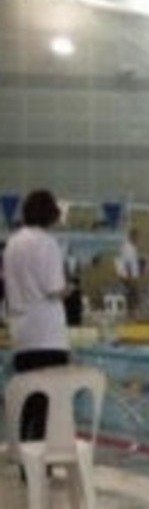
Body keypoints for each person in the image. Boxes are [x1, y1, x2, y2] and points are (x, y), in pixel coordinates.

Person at [2, 189, 71, 441]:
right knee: (47, 408)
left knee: (26, 405)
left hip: (21, 335)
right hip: (47, 336)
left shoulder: (12, 243)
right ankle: (42, 469)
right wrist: (69, 289)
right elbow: (53, 290)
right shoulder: (47, 243)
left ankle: (25, 466)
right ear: (50, 214)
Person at [119, 228, 144, 318]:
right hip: (129, 276)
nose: (138, 239)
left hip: (131, 275)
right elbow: (127, 263)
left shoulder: (132, 247)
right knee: (134, 295)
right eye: (137, 237)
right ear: (132, 236)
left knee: (132, 295)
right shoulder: (127, 247)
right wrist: (130, 278)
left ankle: (131, 314)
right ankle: (132, 314)